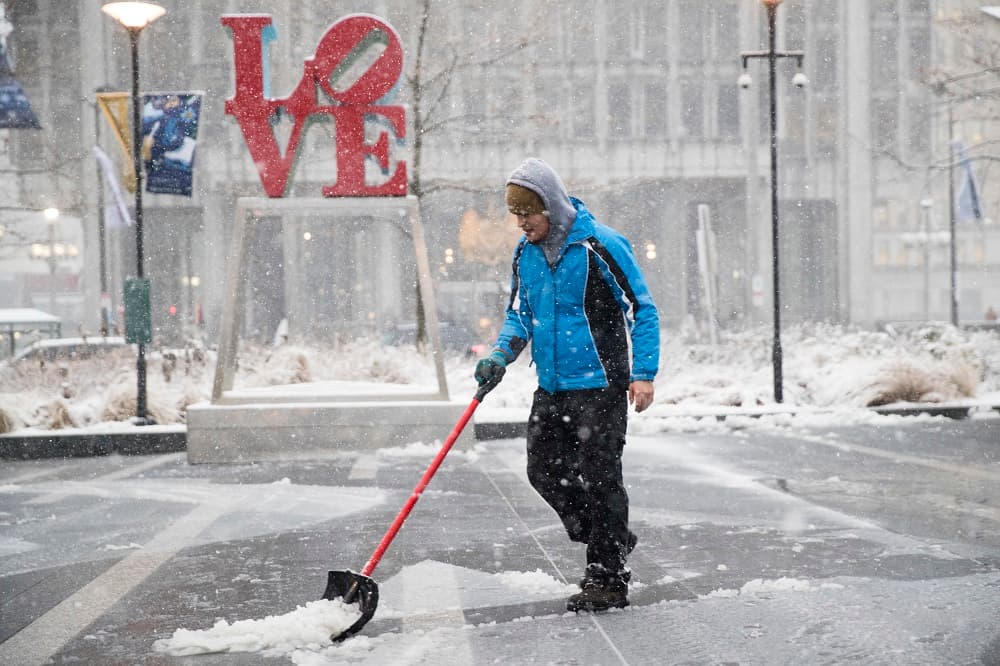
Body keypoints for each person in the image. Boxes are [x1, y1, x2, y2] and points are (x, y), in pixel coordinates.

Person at [474, 157, 659, 612]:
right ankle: (607, 533)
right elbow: (520, 314)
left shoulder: (601, 245)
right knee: (543, 471)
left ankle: (608, 577)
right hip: (553, 385)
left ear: (551, 208)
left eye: (526, 215)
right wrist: (500, 354)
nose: (520, 225)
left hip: (601, 385)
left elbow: (642, 308)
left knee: (601, 479)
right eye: (515, 216)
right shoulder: (526, 255)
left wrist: (643, 374)